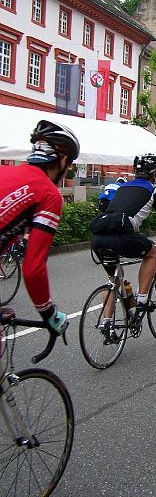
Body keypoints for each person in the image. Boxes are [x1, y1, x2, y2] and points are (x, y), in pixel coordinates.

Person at [0, 119, 80, 335]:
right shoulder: (48, 193)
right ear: (63, 161)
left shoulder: (4, 171)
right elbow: (33, 268)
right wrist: (49, 314)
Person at [91, 154, 156, 320]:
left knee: (114, 281)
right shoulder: (153, 190)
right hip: (122, 234)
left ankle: (107, 324)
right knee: (151, 252)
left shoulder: (122, 187)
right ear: (154, 173)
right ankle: (142, 300)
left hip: (98, 238)